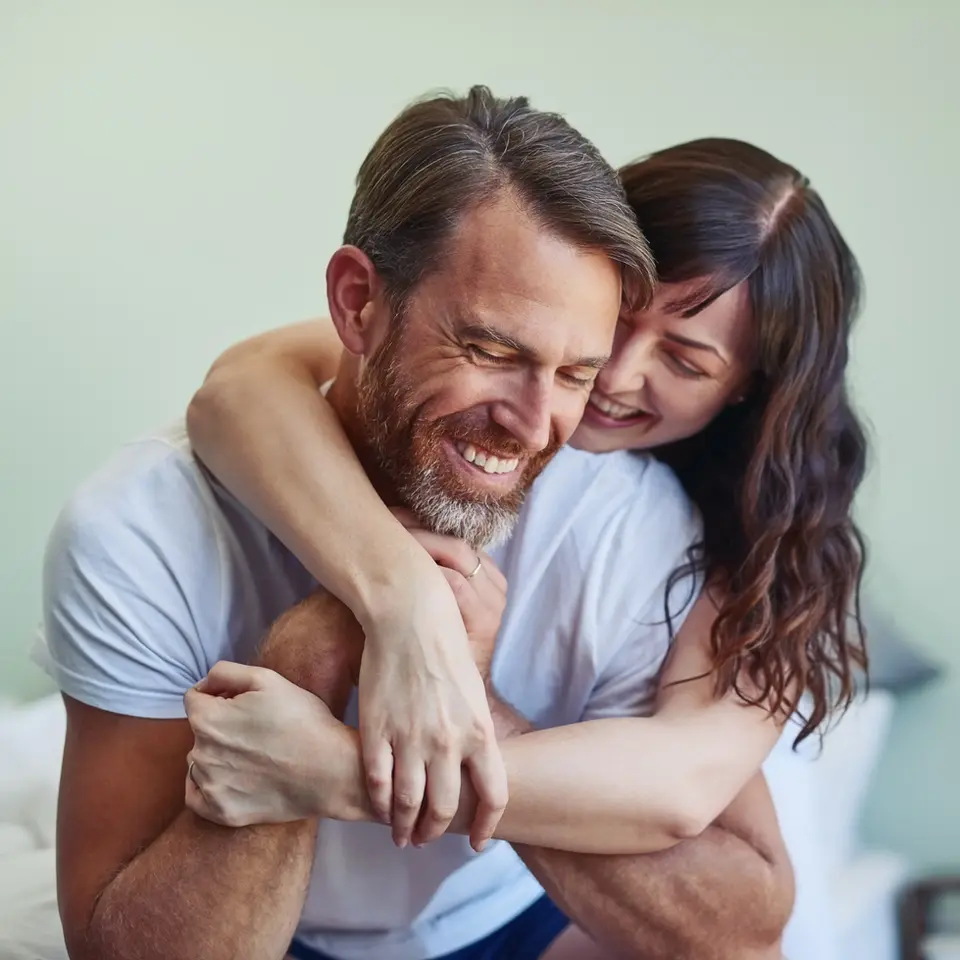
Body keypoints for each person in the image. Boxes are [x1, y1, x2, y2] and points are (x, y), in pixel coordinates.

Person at [37, 86, 731, 960]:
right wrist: (307, 662)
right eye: (490, 351)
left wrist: (465, 690)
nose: (531, 422)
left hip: (515, 912)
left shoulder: (632, 525)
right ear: (357, 301)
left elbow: (738, 929)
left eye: (574, 374)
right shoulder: (138, 530)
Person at [180, 134, 869, 957]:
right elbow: (241, 387)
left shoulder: (756, 546)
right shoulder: (498, 365)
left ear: (752, 385)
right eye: (617, 321)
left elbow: (680, 790)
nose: (613, 376)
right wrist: (407, 603)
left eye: (684, 359)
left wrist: (336, 772)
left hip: (619, 792)